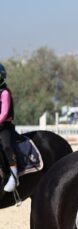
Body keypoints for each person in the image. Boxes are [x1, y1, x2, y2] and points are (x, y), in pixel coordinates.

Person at [0, 63, 19, 192]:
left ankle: (14, 174)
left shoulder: (5, 92)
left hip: (4, 126)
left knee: (6, 146)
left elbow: (4, 112)